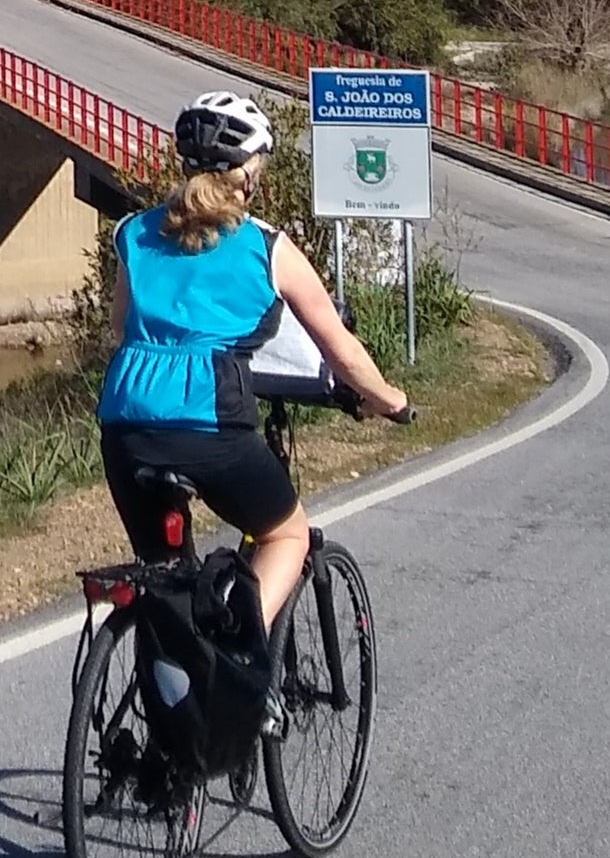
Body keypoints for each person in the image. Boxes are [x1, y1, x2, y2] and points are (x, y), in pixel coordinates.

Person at [97, 89, 412, 644]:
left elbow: (123, 328)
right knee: (286, 536)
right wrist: (389, 399)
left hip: (126, 426)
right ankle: (238, 648)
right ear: (247, 176)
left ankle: (173, 710)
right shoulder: (266, 247)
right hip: (212, 425)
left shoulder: (132, 235)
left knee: (163, 577)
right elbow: (338, 347)